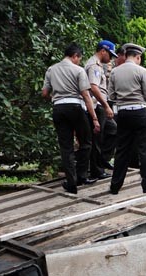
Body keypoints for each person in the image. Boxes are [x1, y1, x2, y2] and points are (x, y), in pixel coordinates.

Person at [42, 43, 101, 194]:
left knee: (66, 146)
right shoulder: (78, 70)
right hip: (75, 108)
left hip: (58, 109)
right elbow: (86, 95)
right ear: (75, 56)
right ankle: (82, 175)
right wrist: (94, 118)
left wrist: (56, 99)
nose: (79, 61)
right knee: (86, 141)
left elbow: (44, 93)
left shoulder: (51, 69)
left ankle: (71, 182)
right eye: (79, 59)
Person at [107, 43, 146, 195]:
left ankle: (115, 186)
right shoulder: (142, 71)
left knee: (121, 150)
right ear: (138, 57)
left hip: (123, 113)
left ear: (126, 56)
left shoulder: (114, 72)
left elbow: (111, 96)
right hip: (139, 112)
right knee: (144, 149)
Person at [85, 40, 117, 180]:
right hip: (97, 105)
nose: (110, 58)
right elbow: (93, 87)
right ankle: (97, 170)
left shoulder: (97, 65)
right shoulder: (94, 66)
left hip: (99, 105)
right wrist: (106, 105)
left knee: (112, 129)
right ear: (103, 51)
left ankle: (102, 161)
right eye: (110, 54)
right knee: (97, 138)